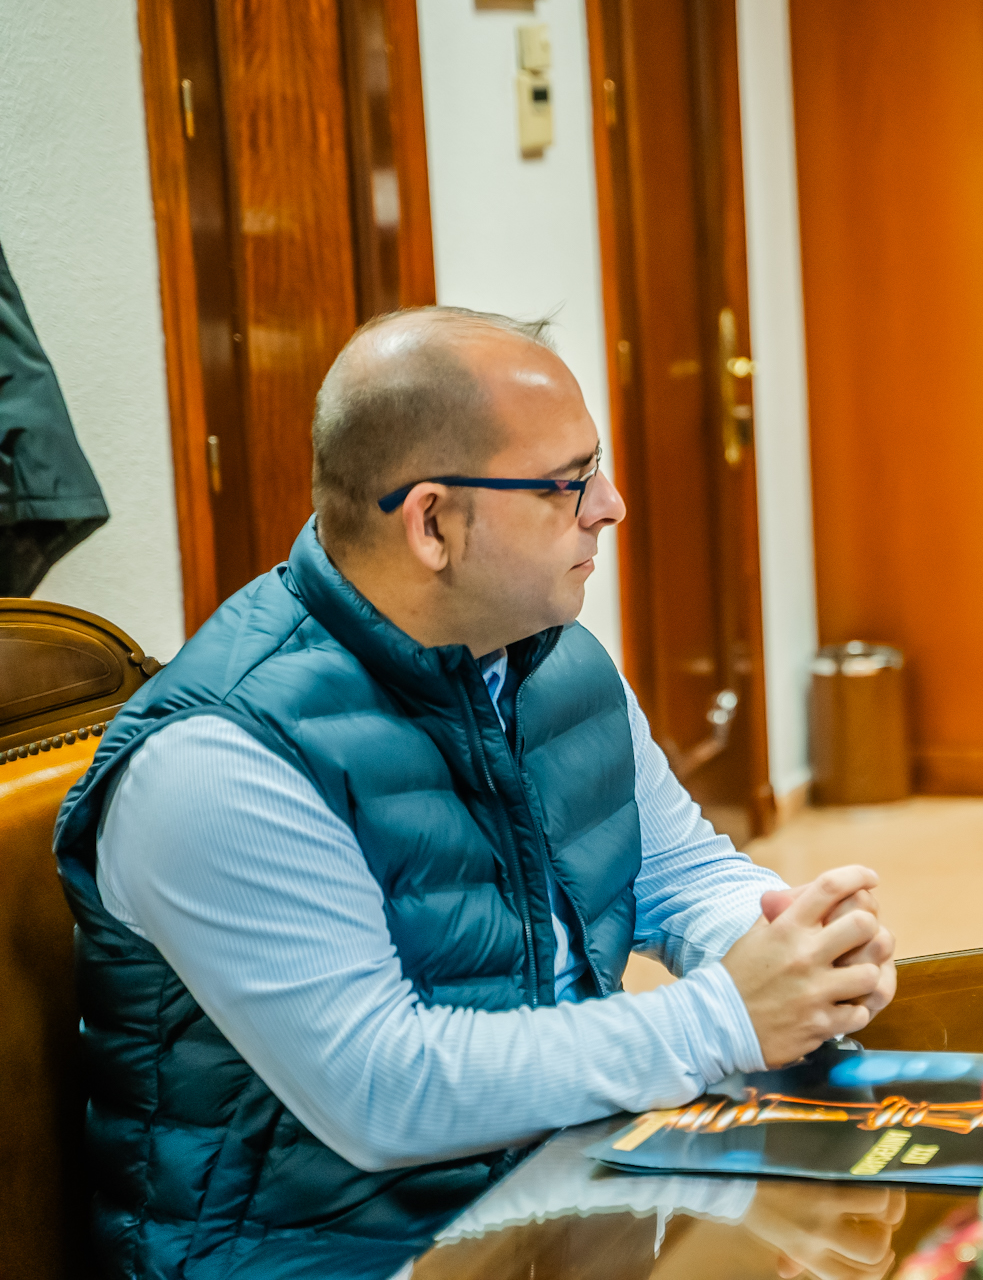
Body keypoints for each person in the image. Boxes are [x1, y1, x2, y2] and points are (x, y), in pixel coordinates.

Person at [53, 307, 897, 1278]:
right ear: (432, 523)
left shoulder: (554, 661)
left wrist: (790, 946)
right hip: (324, 1252)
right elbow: (385, 1092)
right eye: (568, 483)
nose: (611, 506)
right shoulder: (218, 760)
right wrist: (725, 1019)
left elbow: (677, 871)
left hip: (553, 1200)